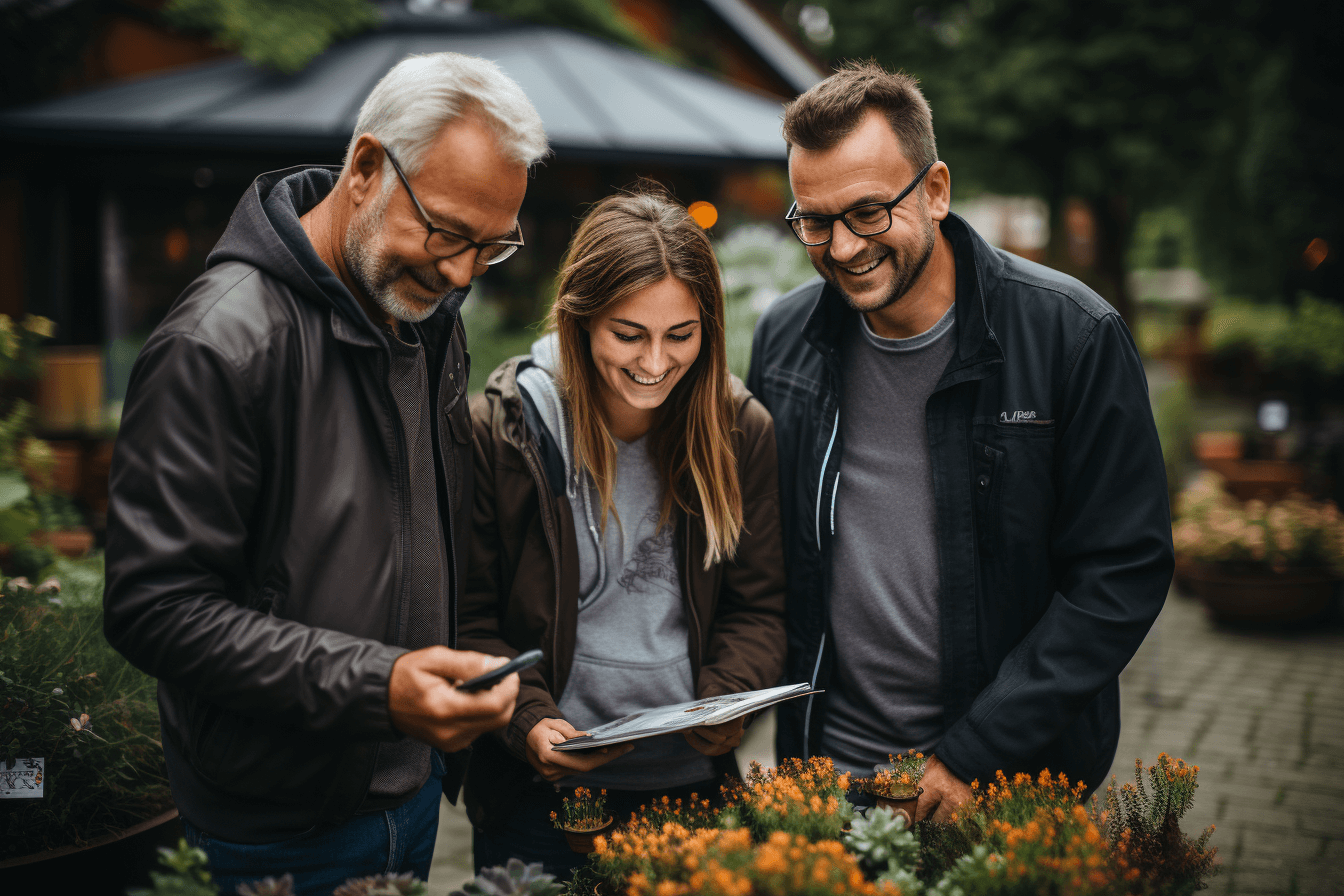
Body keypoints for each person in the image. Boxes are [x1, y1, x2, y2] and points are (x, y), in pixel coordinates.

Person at [102, 53, 549, 891]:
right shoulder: (217, 346)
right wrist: (380, 685)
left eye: (489, 247)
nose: (460, 274)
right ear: (368, 166)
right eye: (448, 232)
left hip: (412, 802)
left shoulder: (425, 312)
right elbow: (152, 609)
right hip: (271, 833)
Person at [747, 62, 1174, 821]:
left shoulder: (1073, 337)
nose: (842, 248)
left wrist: (974, 754)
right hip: (826, 776)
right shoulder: (785, 341)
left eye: (870, 213)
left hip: (1005, 782)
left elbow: (1121, 573)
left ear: (936, 191)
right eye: (814, 220)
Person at [460, 189, 787, 878]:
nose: (656, 363)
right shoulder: (504, 432)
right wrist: (529, 722)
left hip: (692, 787)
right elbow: (471, 620)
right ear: (580, 321)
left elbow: (758, 607)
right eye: (628, 333)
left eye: (682, 334)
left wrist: (728, 692)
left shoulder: (738, 430)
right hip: (541, 792)